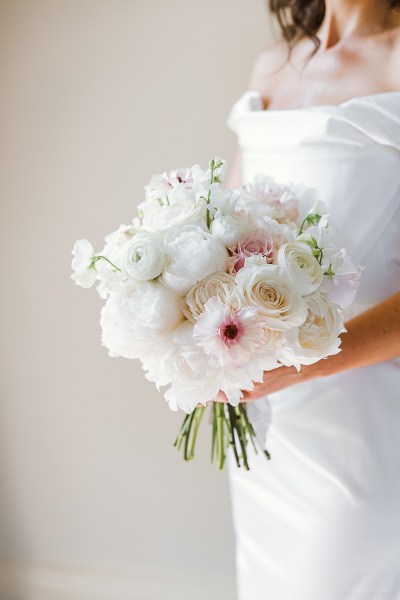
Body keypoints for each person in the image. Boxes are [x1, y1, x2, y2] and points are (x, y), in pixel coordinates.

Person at [224, 1, 400, 598]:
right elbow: (220, 235)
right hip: (268, 428)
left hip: (365, 423)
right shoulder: (272, 67)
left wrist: (297, 365)